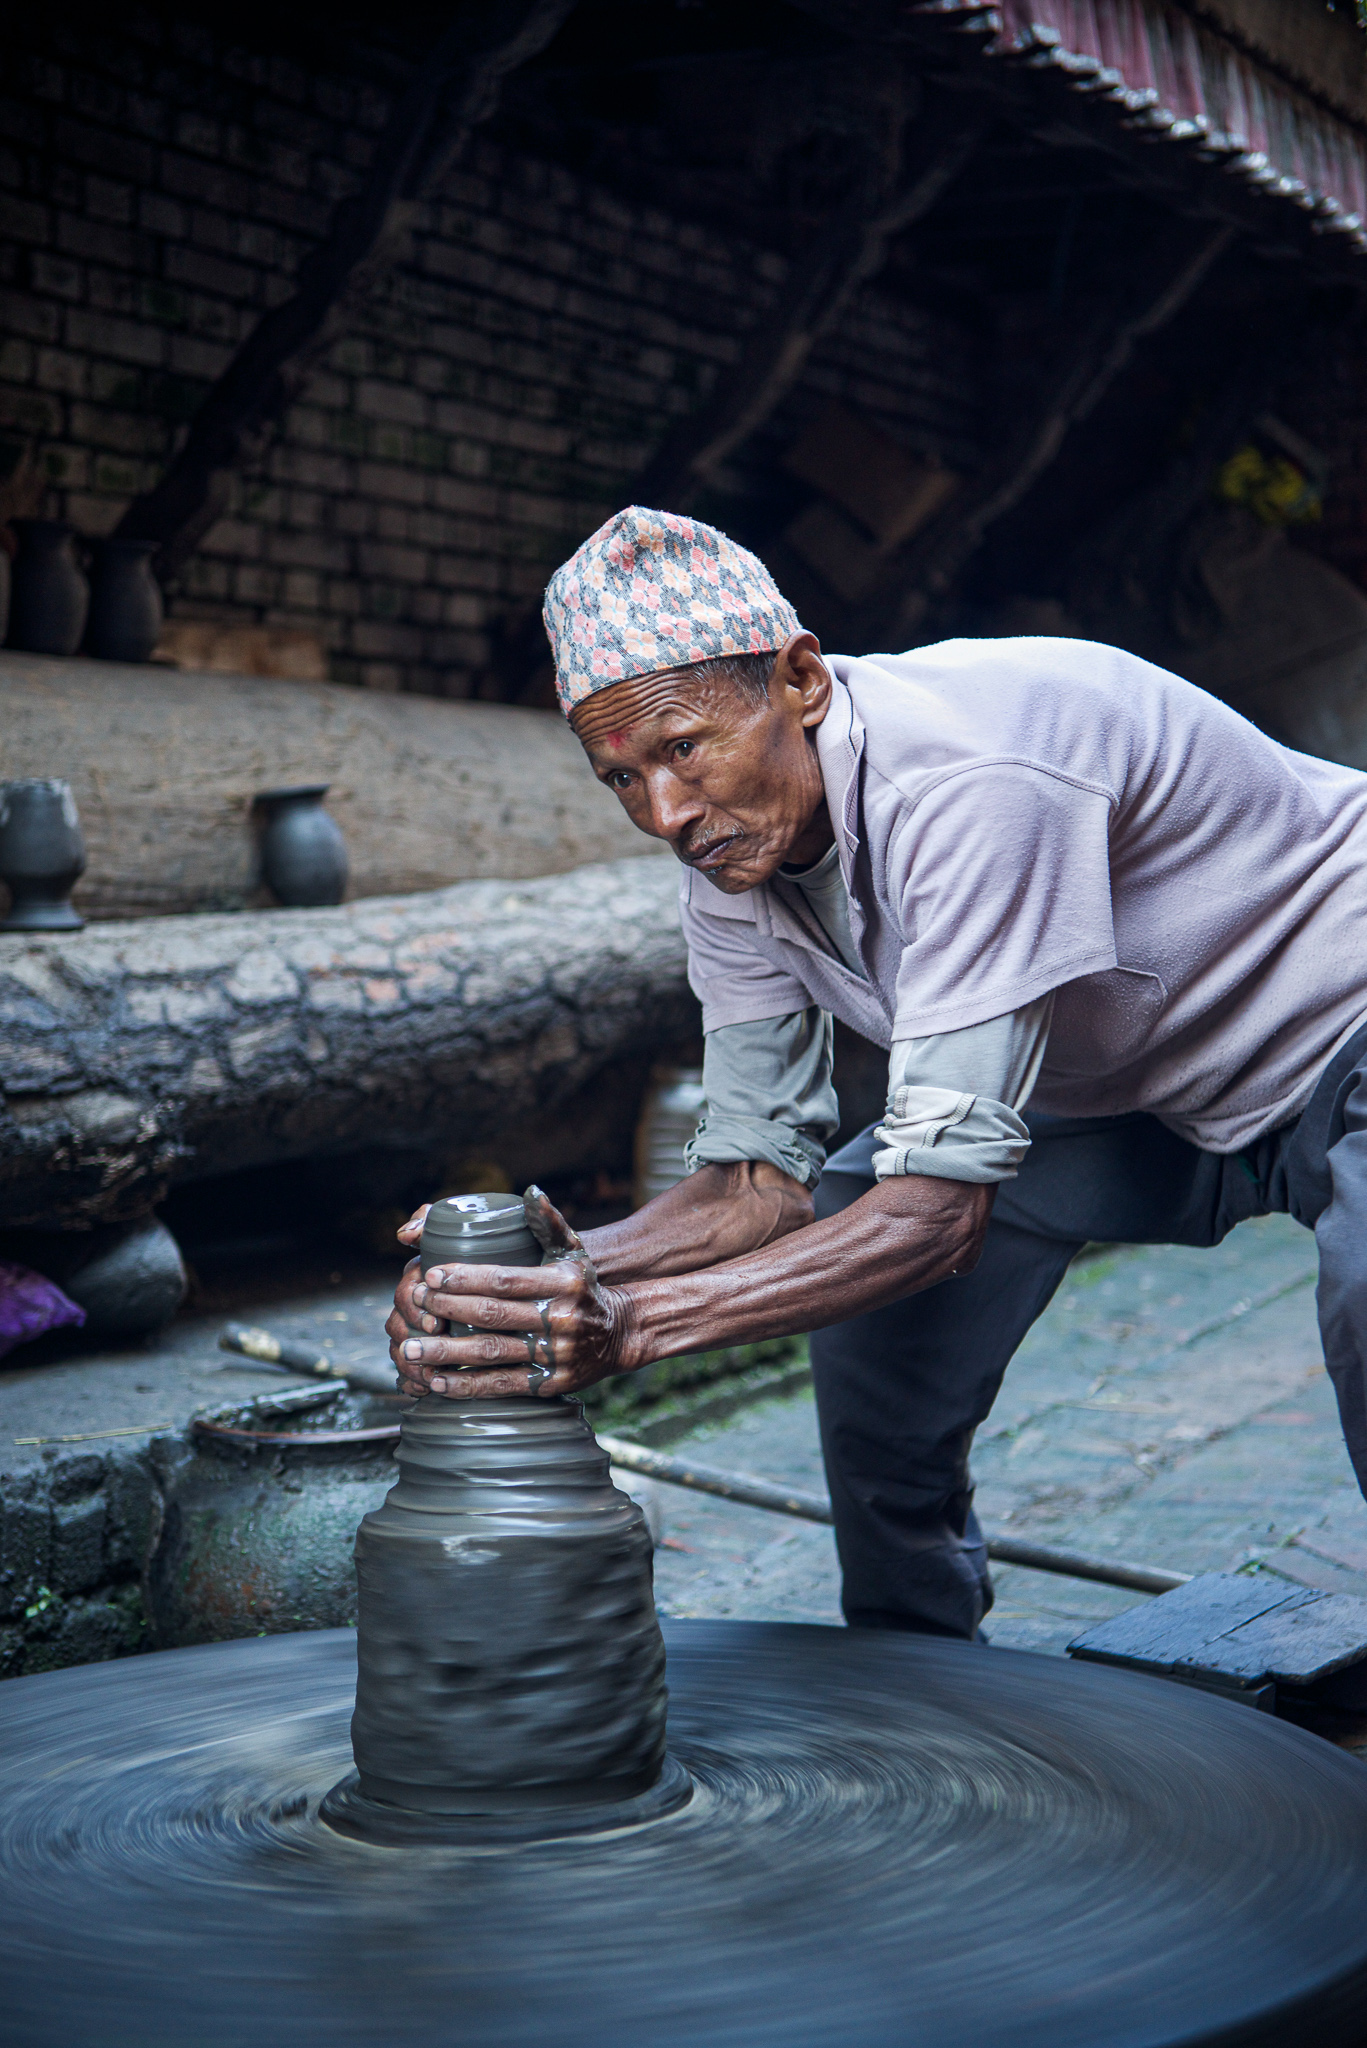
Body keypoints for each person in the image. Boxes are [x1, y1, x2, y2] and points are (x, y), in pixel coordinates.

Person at [389, 505, 1367, 1641]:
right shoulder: (727, 856)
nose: (662, 813)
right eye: (620, 778)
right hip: (1150, 1078)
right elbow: (758, 1185)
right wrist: (535, 1278)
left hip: (1340, 1015)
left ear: (798, 678)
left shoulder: (969, 776)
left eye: (682, 748)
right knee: (853, 1242)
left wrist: (634, 1324)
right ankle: (910, 1679)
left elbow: (936, 1218)